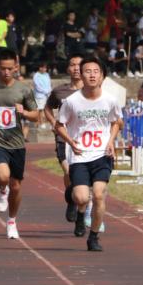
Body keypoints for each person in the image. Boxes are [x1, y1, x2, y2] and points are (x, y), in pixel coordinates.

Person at [55, 57, 123, 251]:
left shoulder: (110, 100)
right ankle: (78, 207)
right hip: (79, 155)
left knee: (99, 195)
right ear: (81, 75)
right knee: (82, 198)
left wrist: (110, 141)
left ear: (102, 76)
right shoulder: (71, 101)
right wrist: (70, 142)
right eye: (88, 71)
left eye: (96, 71)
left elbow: (116, 122)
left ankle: (93, 237)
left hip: (102, 154)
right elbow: (59, 125)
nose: (92, 75)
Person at [0, 49, 40, 239]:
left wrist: (24, 112)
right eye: (3, 68)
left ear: (16, 67)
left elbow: (36, 115)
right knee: (3, 176)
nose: (6, 72)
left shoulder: (24, 89)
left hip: (17, 143)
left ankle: (12, 221)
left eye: (10, 68)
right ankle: (2, 190)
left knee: (17, 186)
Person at [44, 54, 84, 223]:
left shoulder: (91, 91)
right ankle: (71, 200)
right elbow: (47, 108)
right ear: (68, 69)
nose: (76, 68)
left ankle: (82, 208)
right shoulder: (60, 91)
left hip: (84, 139)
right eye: (72, 65)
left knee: (83, 177)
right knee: (69, 172)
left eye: (79, 65)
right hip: (64, 138)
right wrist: (54, 123)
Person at [32, 62, 52, 129]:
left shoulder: (47, 74)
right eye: (43, 68)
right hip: (40, 95)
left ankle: (50, 122)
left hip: (48, 95)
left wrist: (49, 91)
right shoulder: (36, 76)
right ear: (39, 68)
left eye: (45, 68)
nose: (44, 69)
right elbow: (37, 87)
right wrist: (45, 91)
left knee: (48, 109)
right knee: (41, 110)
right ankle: (41, 123)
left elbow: (49, 84)